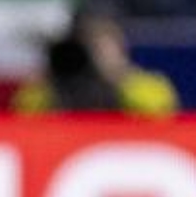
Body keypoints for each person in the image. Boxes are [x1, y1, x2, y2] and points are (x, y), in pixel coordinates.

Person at [15, 8, 177, 118]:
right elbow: (24, 119)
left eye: (101, 49)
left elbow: (161, 117)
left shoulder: (146, 85)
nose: (94, 57)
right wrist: (50, 82)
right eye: (90, 49)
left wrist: (118, 77)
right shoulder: (51, 89)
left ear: (120, 51)